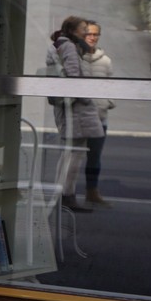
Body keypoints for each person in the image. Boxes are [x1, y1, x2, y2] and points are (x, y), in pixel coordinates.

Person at [46, 16, 102, 213]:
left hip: (70, 110)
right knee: (74, 155)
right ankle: (67, 195)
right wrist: (87, 97)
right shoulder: (69, 47)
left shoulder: (61, 45)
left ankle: (63, 193)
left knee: (69, 154)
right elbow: (73, 78)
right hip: (76, 112)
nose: (86, 32)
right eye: (83, 29)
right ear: (72, 30)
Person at [80, 20, 116, 207]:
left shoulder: (106, 61)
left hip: (100, 118)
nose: (92, 37)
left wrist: (107, 103)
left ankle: (92, 191)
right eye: (89, 34)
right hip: (79, 118)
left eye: (95, 34)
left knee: (94, 158)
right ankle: (65, 192)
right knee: (72, 157)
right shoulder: (76, 58)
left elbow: (111, 86)